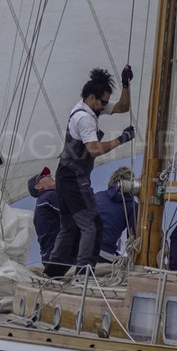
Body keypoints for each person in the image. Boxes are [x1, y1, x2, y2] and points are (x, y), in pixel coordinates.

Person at [44, 66, 135, 277]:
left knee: (69, 229)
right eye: (103, 102)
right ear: (92, 98)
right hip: (74, 177)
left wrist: (125, 84)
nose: (105, 106)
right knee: (92, 225)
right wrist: (121, 139)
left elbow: (123, 107)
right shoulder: (84, 118)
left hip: (66, 176)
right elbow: (93, 150)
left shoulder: (92, 108)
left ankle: (51, 274)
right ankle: (83, 276)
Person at [94, 166, 138, 263]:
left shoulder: (97, 196)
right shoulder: (132, 206)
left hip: (82, 250)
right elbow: (133, 239)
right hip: (104, 254)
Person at [28, 168, 61, 264]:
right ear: (38, 186)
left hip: (50, 257)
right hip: (61, 256)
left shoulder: (42, 202)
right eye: (44, 176)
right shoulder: (49, 197)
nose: (49, 176)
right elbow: (76, 215)